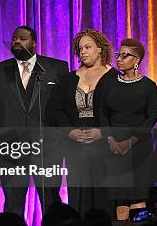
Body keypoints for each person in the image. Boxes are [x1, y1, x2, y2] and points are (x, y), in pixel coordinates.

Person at [0, 26, 69, 217]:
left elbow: (64, 107)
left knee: (51, 201)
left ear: (34, 43)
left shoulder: (57, 68)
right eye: (14, 39)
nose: (17, 42)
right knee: (13, 202)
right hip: (10, 147)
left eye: (22, 38)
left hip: (48, 147)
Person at [47, 29, 118, 215]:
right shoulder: (69, 79)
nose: (83, 52)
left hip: (105, 145)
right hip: (75, 146)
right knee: (79, 196)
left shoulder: (114, 78)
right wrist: (69, 131)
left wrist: (102, 132)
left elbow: (121, 112)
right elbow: (56, 109)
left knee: (104, 196)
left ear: (100, 49)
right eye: (80, 49)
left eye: (88, 47)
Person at [99, 38, 157, 220]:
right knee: (120, 198)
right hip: (114, 147)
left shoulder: (148, 86)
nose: (119, 59)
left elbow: (151, 118)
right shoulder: (109, 84)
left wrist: (130, 142)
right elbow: (102, 114)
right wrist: (110, 140)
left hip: (139, 146)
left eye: (125, 56)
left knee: (138, 196)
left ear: (136, 60)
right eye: (119, 55)